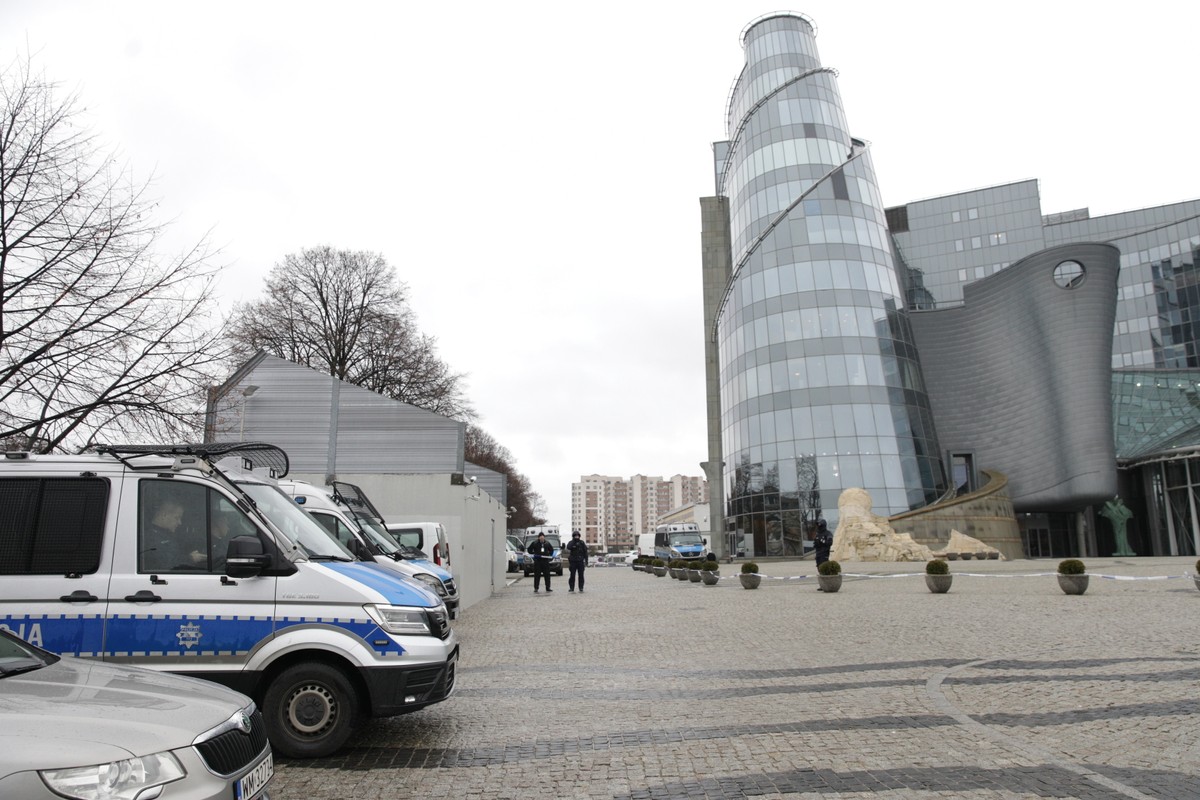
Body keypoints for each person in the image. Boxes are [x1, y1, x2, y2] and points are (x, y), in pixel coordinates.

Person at [812, 519, 833, 590]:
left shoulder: (828, 533)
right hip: (818, 553)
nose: (818, 526)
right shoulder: (818, 534)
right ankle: (822, 584)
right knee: (819, 568)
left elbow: (830, 542)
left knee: (824, 568)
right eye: (818, 525)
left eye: (820, 525)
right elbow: (815, 544)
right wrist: (816, 543)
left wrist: (822, 541)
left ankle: (828, 584)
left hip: (825, 553)